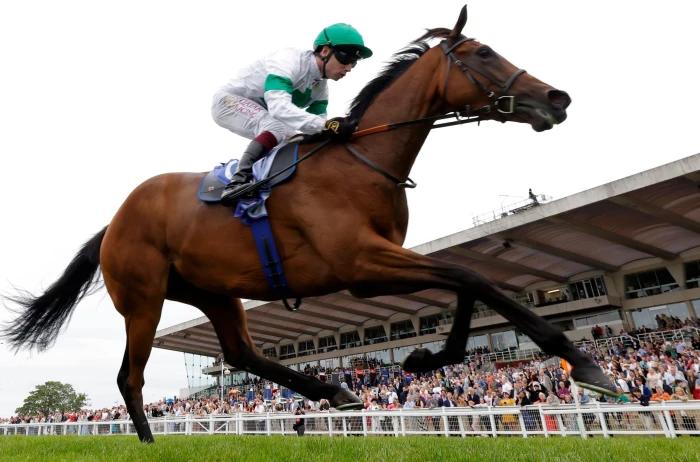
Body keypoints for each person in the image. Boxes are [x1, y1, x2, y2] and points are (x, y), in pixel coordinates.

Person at [212, 23, 373, 204]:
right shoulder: (288, 60)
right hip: (229, 101)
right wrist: (326, 126)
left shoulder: (321, 88)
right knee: (277, 127)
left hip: (263, 112)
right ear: (325, 51)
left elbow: (317, 127)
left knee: (295, 139)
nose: (349, 67)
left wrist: (335, 130)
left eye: (354, 62)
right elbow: (279, 108)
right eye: (346, 58)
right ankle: (238, 180)